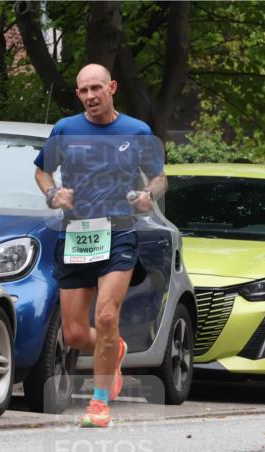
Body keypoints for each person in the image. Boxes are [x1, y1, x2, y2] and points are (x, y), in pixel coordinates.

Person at [34, 63, 167, 427]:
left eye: (96, 88)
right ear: (78, 95)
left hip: (119, 232)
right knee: (75, 334)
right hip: (76, 234)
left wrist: (148, 195)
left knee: (107, 316)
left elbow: (159, 178)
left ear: (112, 87)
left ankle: (98, 403)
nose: (90, 96)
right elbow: (42, 171)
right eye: (83, 90)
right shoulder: (65, 129)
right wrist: (53, 193)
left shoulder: (137, 132)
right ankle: (114, 347)